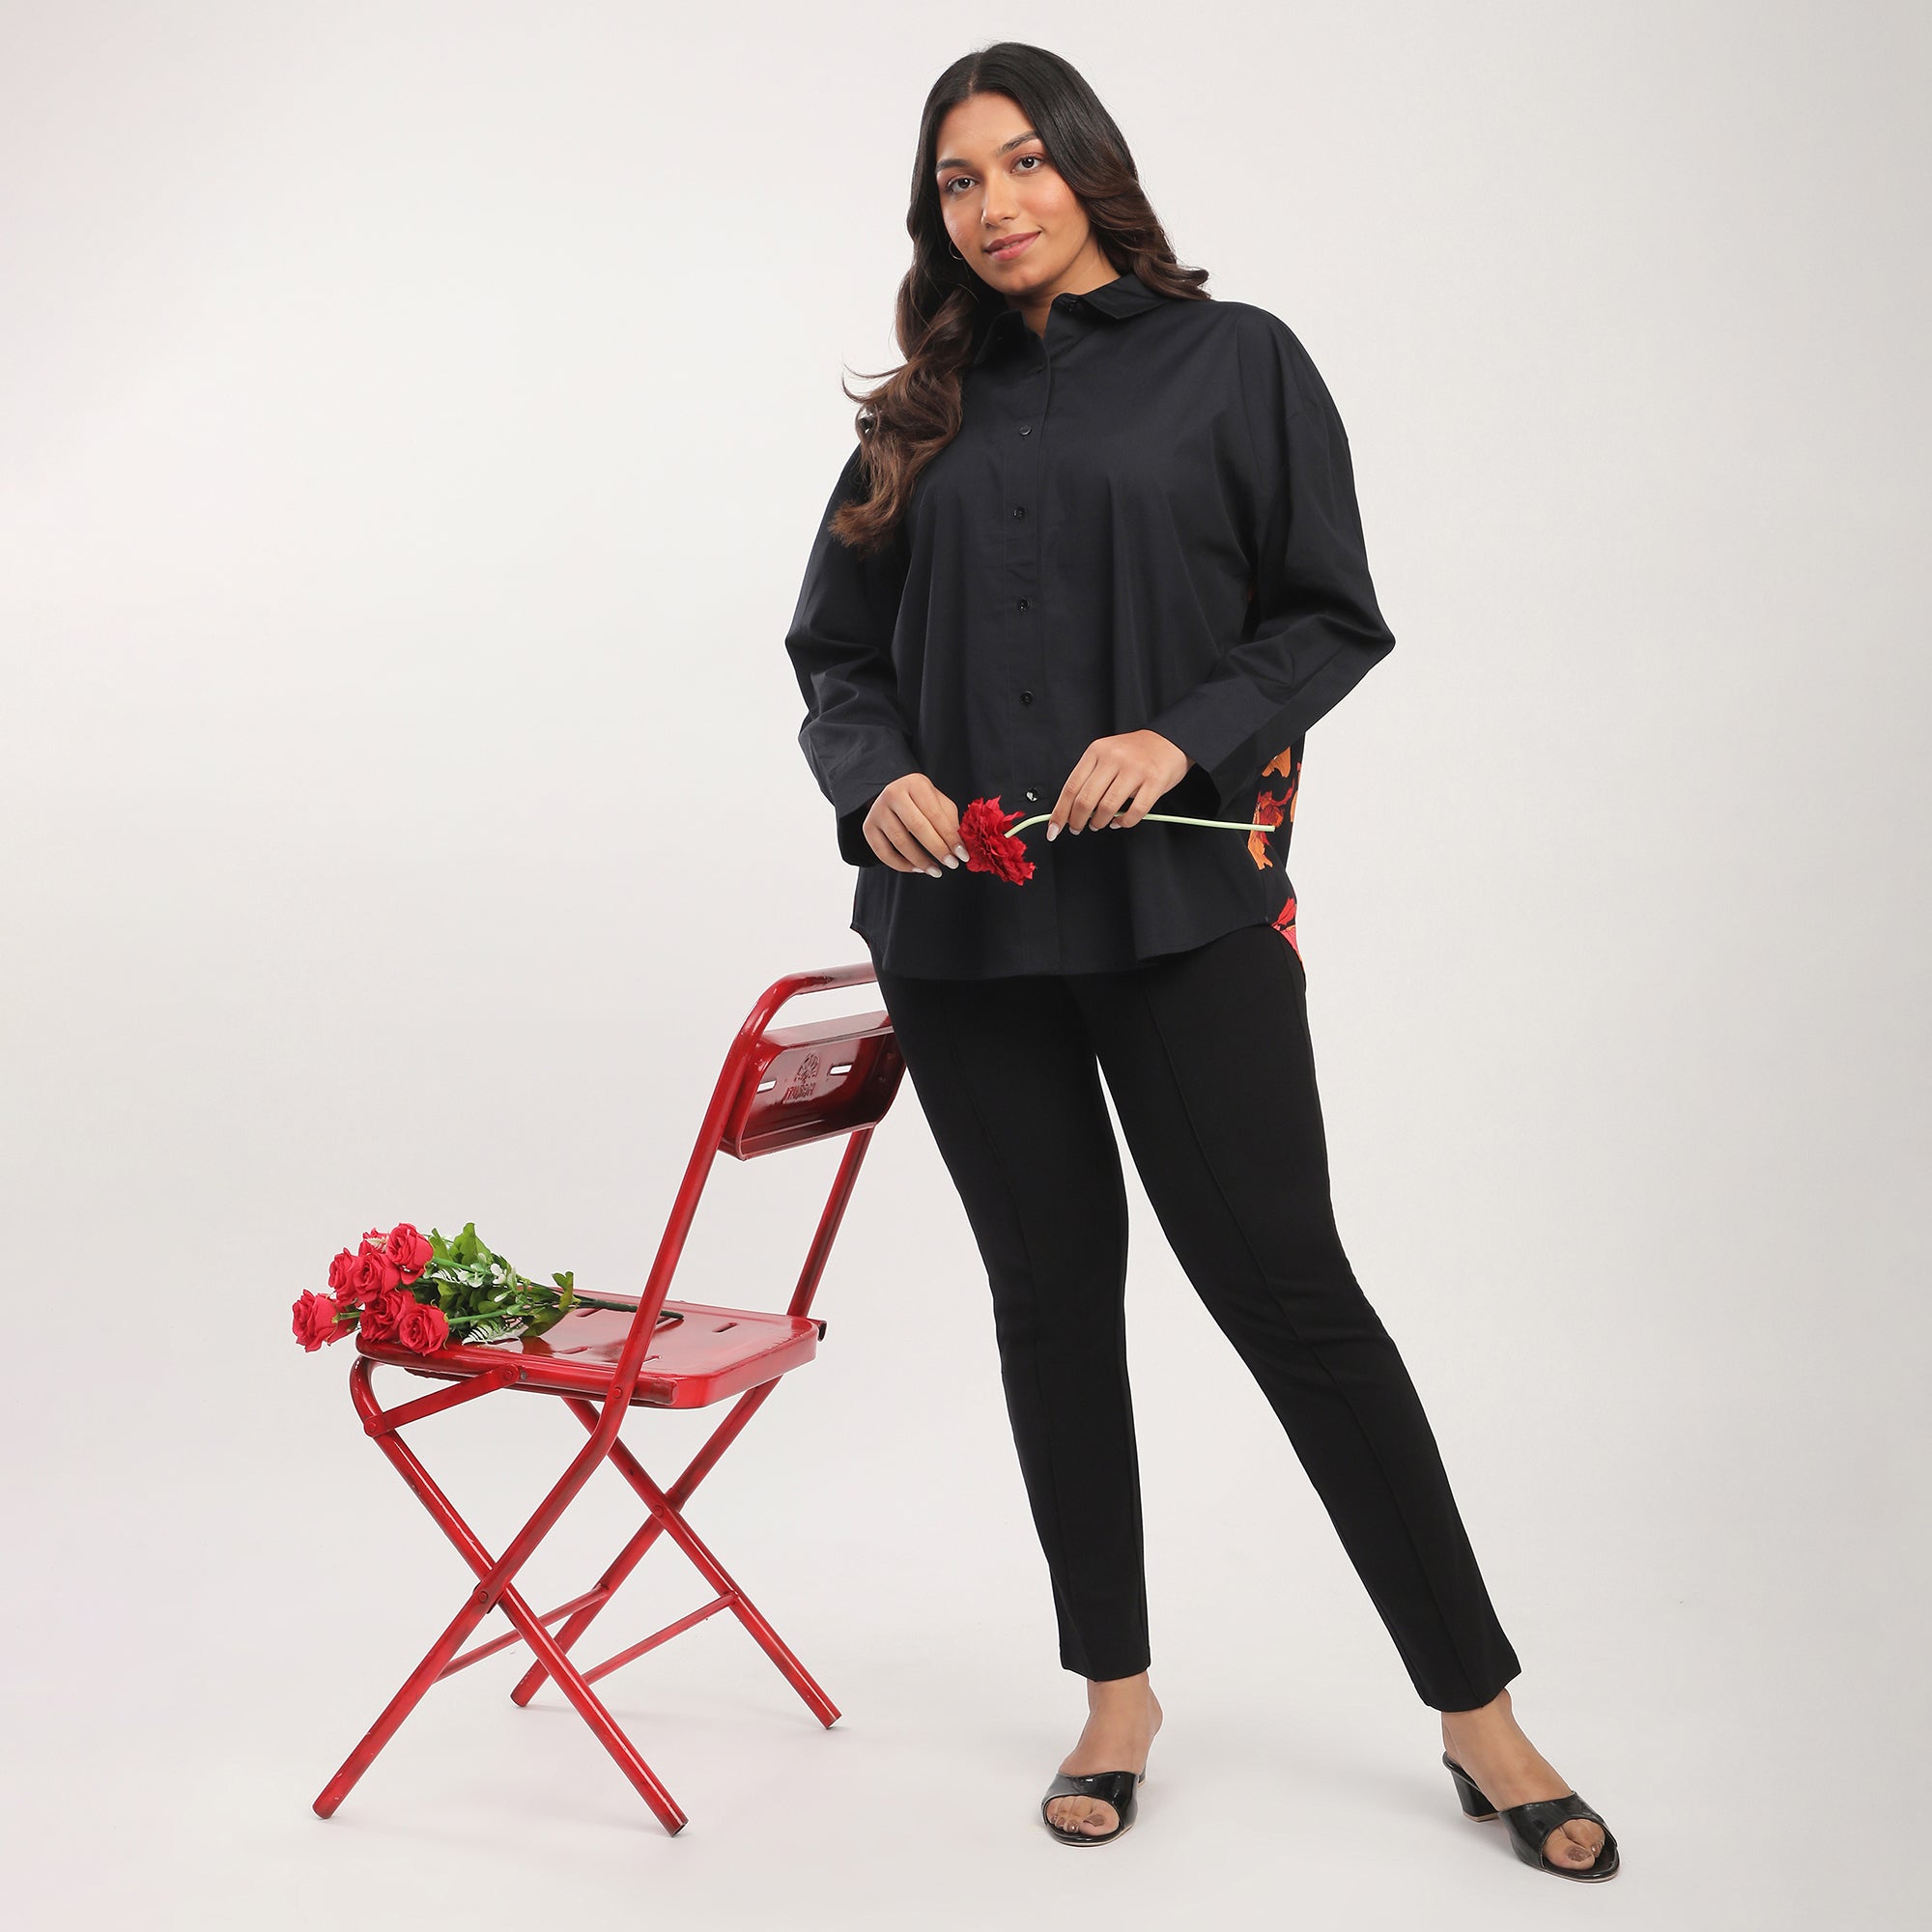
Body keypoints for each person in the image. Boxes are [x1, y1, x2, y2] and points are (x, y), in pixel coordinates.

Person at [782, 43, 1618, 1881]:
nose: (994, 205)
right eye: (957, 181)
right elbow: (833, 654)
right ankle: (1115, 1695)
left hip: (1179, 914)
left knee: (1293, 1298)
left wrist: (1183, 735)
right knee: (1050, 1303)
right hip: (961, 931)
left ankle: (1478, 1712)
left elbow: (1327, 615)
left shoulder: (1239, 364)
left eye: (1023, 162)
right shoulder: (914, 416)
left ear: (1089, 165)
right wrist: (877, 777)